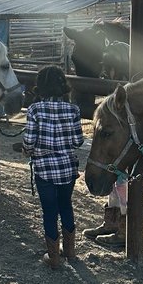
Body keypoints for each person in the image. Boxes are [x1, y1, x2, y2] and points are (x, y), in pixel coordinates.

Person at [22, 65, 84, 267]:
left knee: (49, 211)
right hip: (67, 168)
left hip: (44, 169)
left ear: (40, 86)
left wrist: (27, 149)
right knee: (66, 205)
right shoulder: (73, 109)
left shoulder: (34, 110)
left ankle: (54, 257)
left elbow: (29, 142)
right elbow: (78, 142)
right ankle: (70, 251)